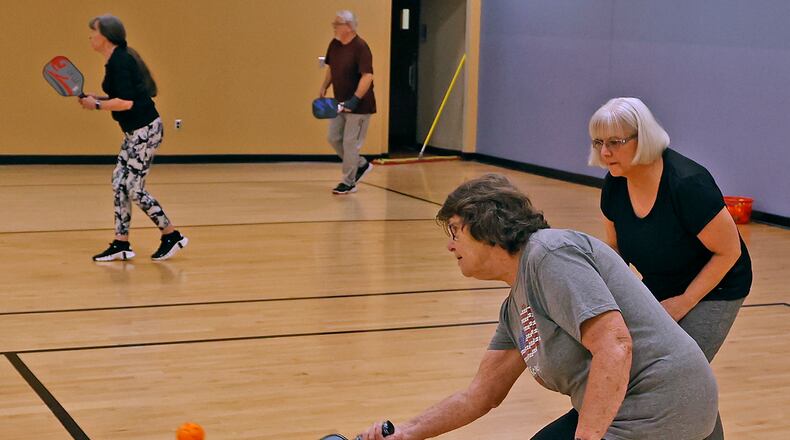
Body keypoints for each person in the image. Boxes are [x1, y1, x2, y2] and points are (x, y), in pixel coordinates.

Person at [356, 174, 718, 440]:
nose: (450, 246)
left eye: (455, 231)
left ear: (487, 226)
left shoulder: (550, 254)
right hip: (626, 407)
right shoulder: (515, 304)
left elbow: (615, 344)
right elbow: (479, 396)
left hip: (663, 405)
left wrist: (587, 438)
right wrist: (406, 432)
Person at [588, 97, 753, 438]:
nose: (605, 152)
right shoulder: (615, 184)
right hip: (661, 281)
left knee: (677, 372)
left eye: (615, 143)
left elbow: (728, 252)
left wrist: (684, 301)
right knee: (673, 373)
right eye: (599, 143)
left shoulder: (687, 184)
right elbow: (615, 252)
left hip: (716, 286)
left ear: (643, 137)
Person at [79, 15, 188, 262]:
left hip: (145, 130)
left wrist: (96, 105)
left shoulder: (120, 61)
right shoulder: (117, 59)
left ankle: (172, 235)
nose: (90, 36)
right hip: (134, 132)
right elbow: (122, 97)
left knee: (133, 188)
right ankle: (121, 243)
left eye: (93, 32)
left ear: (105, 36)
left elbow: (126, 103)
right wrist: (99, 99)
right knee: (119, 182)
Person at [319, 10, 376, 195]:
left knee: (351, 143)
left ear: (349, 27)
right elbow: (331, 68)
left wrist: (355, 99)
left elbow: (367, 76)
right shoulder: (334, 45)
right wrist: (324, 87)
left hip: (359, 106)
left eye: (337, 24)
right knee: (334, 137)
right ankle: (361, 164)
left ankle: (348, 182)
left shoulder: (361, 47)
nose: (334, 26)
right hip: (339, 102)